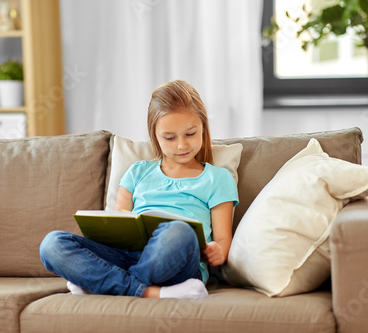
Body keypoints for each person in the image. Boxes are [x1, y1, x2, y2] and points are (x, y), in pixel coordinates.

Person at [40, 80, 238, 299]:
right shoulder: (137, 172)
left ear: (203, 128)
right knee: (52, 244)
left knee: (179, 231)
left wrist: (218, 251)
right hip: (129, 257)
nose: (182, 145)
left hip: (178, 259)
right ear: (155, 135)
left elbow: (223, 239)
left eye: (190, 134)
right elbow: (118, 228)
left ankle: (102, 283)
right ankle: (149, 292)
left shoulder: (218, 178)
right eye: (170, 138)